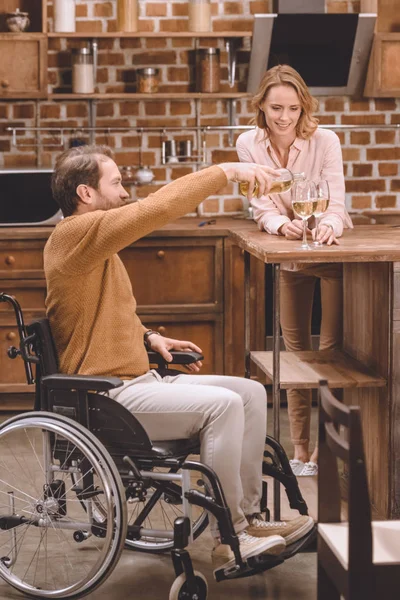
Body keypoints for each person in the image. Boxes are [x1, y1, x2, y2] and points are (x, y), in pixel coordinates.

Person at [44, 144, 313, 570]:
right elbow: (157, 207)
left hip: (135, 380)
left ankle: (252, 519)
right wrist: (225, 171)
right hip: (107, 396)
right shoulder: (72, 234)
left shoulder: (92, 243)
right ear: (86, 193)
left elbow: (103, 312)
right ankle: (232, 535)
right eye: (116, 183)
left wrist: (150, 338)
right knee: (223, 407)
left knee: (249, 393)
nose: (125, 191)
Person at [236, 65, 353, 477]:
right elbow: (260, 204)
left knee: (332, 352)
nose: (284, 117)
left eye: (292, 108)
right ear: (262, 107)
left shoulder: (325, 140)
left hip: (328, 249)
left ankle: (328, 444)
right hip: (289, 249)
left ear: (304, 106)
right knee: (296, 352)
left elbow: (336, 202)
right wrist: (276, 223)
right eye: (275, 108)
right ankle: (300, 447)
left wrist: (329, 224)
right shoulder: (248, 143)